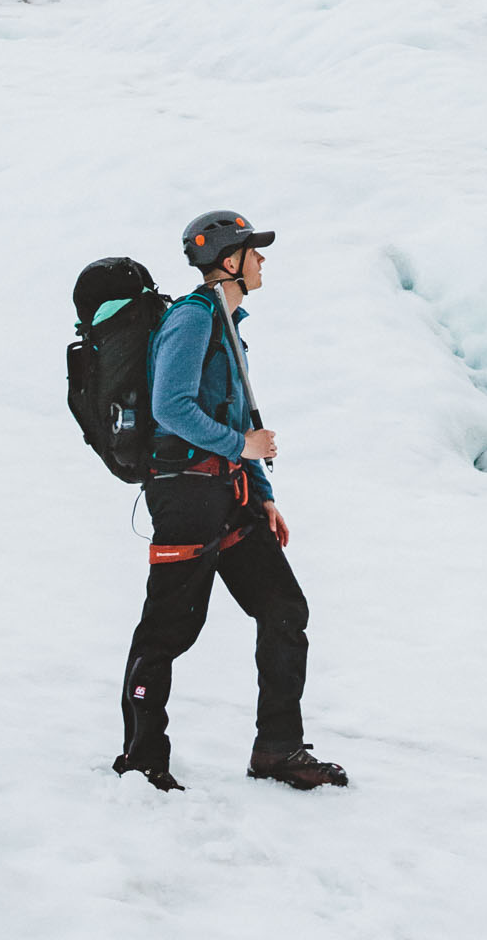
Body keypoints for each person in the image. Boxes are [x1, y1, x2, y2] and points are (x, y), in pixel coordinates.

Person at [113, 208, 348, 793]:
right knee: (167, 631)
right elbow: (172, 408)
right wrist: (239, 444)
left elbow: (240, 421)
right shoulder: (192, 321)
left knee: (284, 610)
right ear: (227, 262)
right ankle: (141, 757)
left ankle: (277, 749)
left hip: (231, 495)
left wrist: (262, 493)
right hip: (186, 495)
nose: (262, 260)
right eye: (253, 250)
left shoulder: (229, 326)